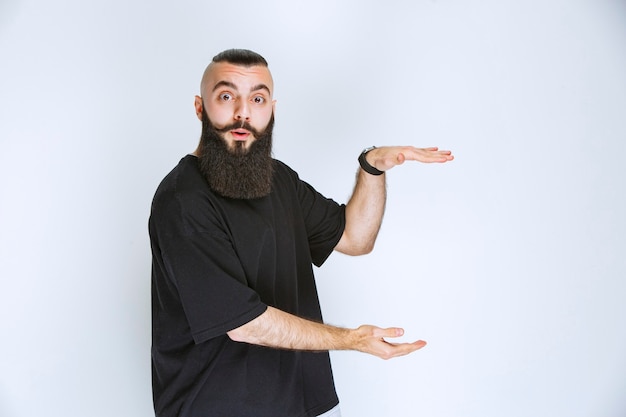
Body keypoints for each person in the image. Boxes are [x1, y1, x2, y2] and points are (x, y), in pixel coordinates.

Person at [149, 48, 454, 417]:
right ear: (200, 107)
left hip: (306, 403)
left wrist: (372, 168)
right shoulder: (182, 200)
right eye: (226, 96)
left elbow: (356, 239)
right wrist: (351, 340)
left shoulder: (280, 181)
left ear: (272, 110)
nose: (243, 112)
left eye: (257, 99)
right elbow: (244, 324)